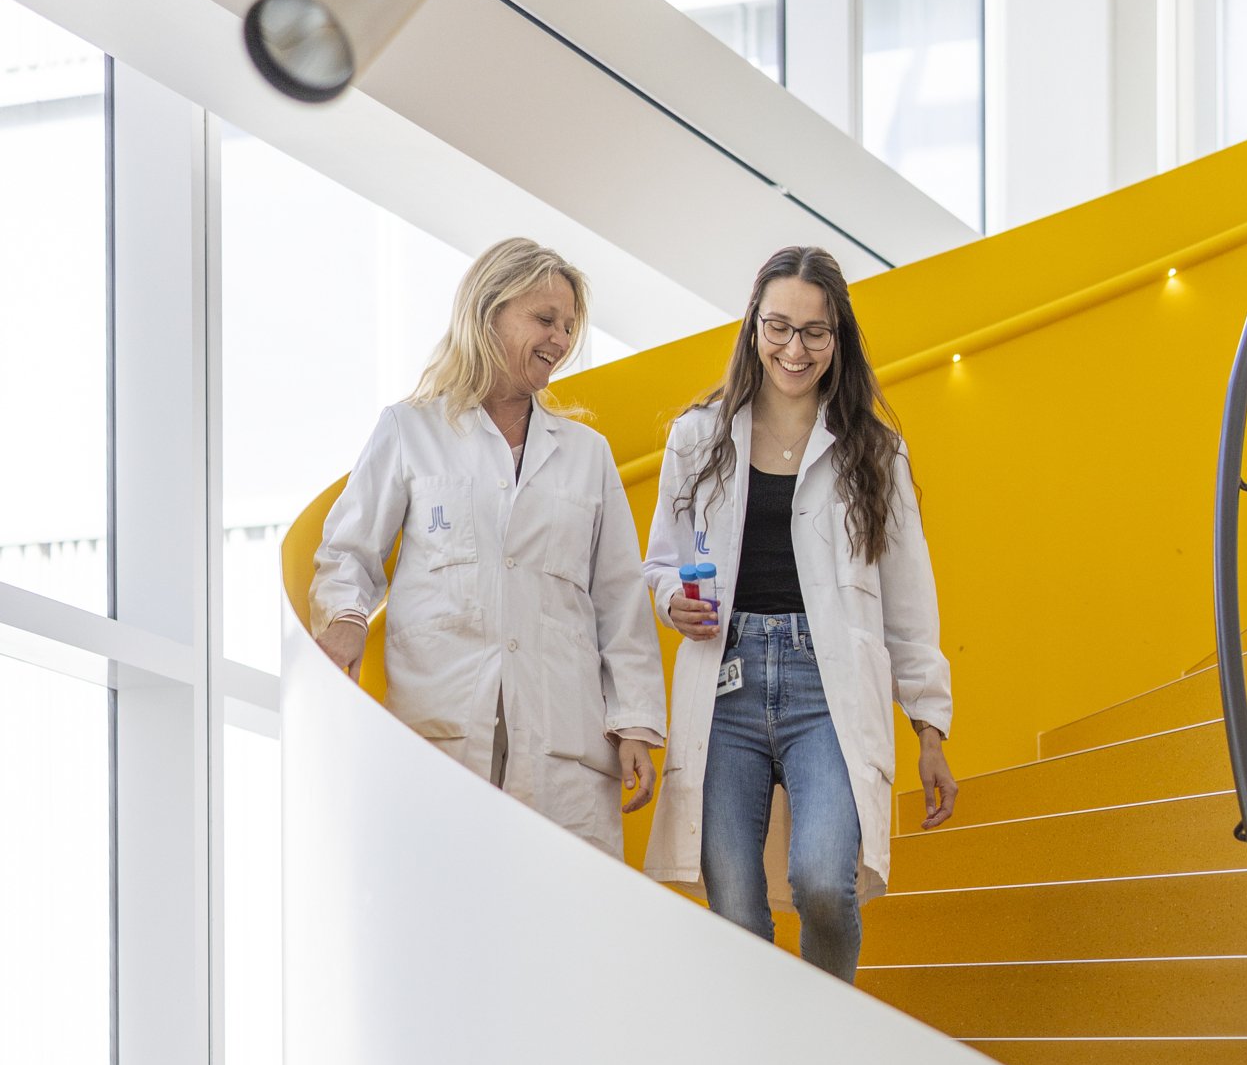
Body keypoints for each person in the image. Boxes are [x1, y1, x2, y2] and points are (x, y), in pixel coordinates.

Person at [642, 245, 957, 980]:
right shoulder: (699, 437)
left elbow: (910, 602)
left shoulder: (875, 452)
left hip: (829, 686)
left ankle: (828, 1035)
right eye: (779, 326)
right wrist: (671, 599)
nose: (794, 348)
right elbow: (661, 561)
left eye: (815, 332)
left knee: (822, 881)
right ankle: (765, 1064)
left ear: (837, 338)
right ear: (753, 327)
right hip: (727, 685)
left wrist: (931, 728)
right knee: (736, 908)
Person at [309, 237, 665, 858]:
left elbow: (619, 601)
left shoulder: (587, 455)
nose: (559, 340)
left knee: (560, 917)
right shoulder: (410, 430)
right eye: (544, 320)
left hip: (563, 736)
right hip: (444, 722)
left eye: (569, 326)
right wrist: (344, 617)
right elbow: (349, 551)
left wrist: (634, 719)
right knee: (449, 910)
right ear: (488, 312)